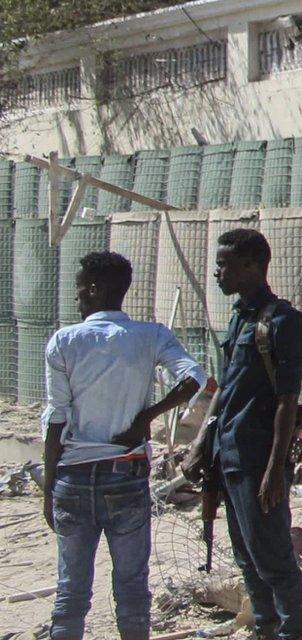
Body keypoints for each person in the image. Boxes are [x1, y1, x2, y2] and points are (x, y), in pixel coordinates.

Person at [42, 251, 208, 640]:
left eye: (81, 290)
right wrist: (146, 417)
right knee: (132, 586)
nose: (78, 298)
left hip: (74, 478)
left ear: (96, 290)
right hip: (127, 477)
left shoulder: (65, 341)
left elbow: (56, 420)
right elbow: (196, 379)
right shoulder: (150, 336)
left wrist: (49, 488)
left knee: (71, 590)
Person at [184, 229, 302, 640]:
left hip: (259, 458)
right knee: (246, 557)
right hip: (229, 455)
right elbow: (227, 388)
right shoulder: (241, 316)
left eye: (225, 264)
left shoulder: (284, 322)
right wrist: (203, 444)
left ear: (253, 266)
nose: (218, 273)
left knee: (274, 558)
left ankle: (296, 632)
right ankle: (265, 629)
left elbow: (287, 400)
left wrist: (276, 469)